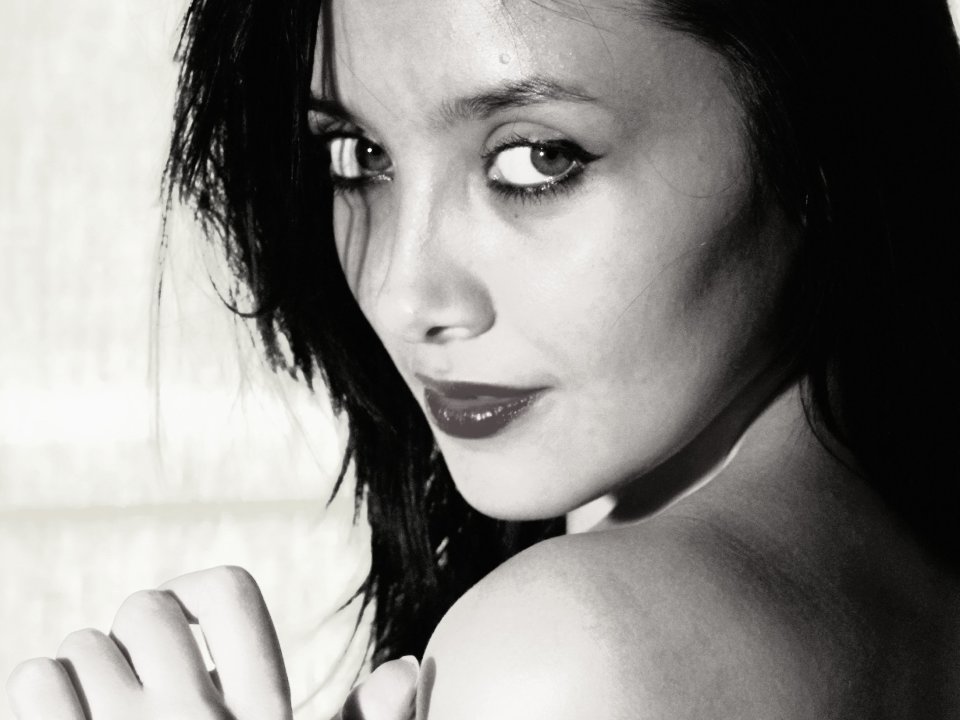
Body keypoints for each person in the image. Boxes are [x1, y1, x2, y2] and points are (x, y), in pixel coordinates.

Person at [8, 0, 960, 717]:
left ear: (819, 133)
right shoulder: (901, 586)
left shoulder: (573, 652)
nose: (403, 293)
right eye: (357, 156)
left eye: (537, 159)